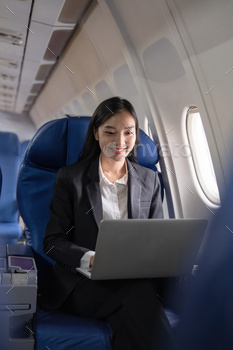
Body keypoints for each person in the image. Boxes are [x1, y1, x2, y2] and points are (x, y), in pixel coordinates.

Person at [42, 97, 172, 350]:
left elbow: (157, 238)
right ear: (96, 133)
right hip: (83, 285)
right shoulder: (71, 178)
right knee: (138, 293)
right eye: (110, 132)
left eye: (128, 132)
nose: (120, 142)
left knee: (128, 320)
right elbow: (52, 242)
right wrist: (91, 259)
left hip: (134, 279)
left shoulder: (150, 180)